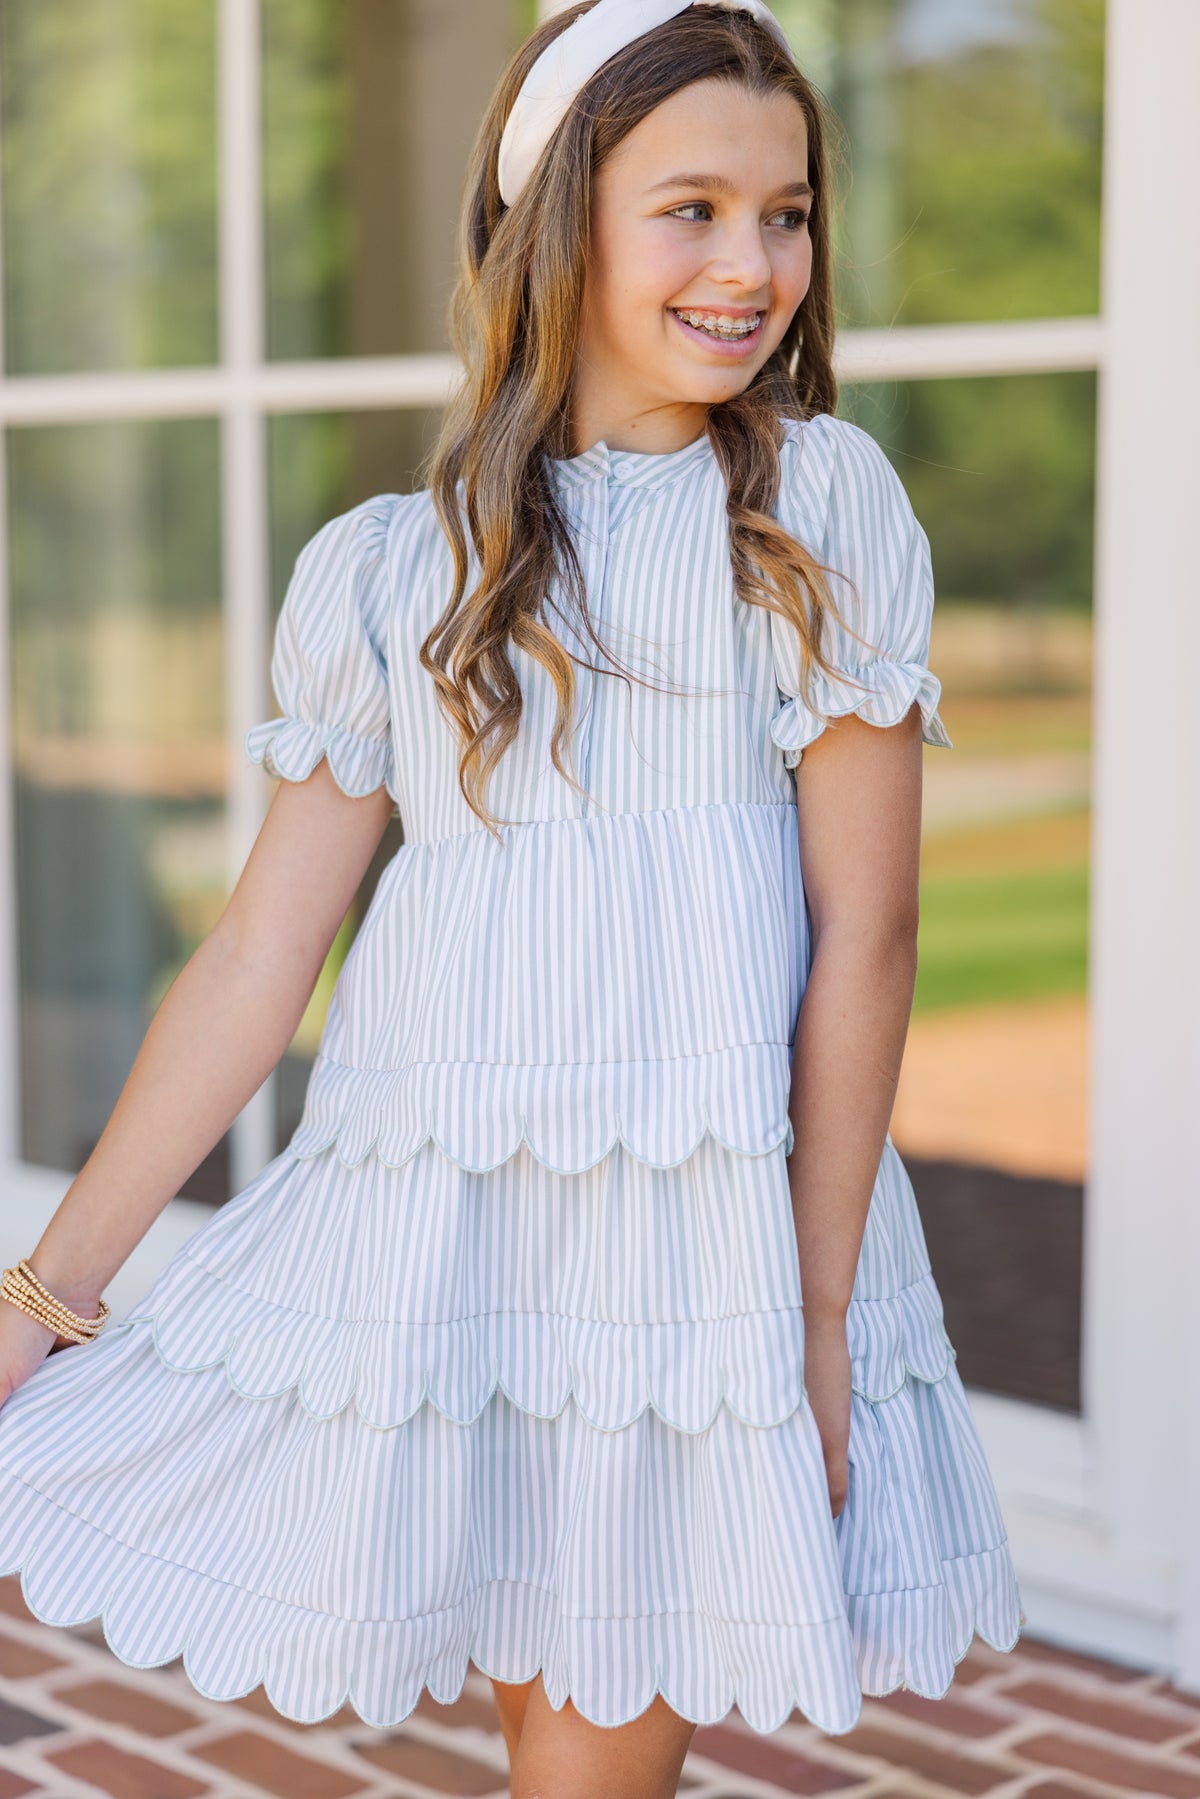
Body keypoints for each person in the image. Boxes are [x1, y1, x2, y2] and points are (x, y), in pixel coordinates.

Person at [0, 1, 1024, 1793]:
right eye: (690, 209)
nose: (755, 264)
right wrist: (45, 1293)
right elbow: (260, 951)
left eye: (785, 213)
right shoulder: (399, 568)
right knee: (544, 1724)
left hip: (696, 1262)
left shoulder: (817, 515)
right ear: (557, 217)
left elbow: (871, 937)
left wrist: (805, 1312)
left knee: (597, 1752)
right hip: (450, 1229)